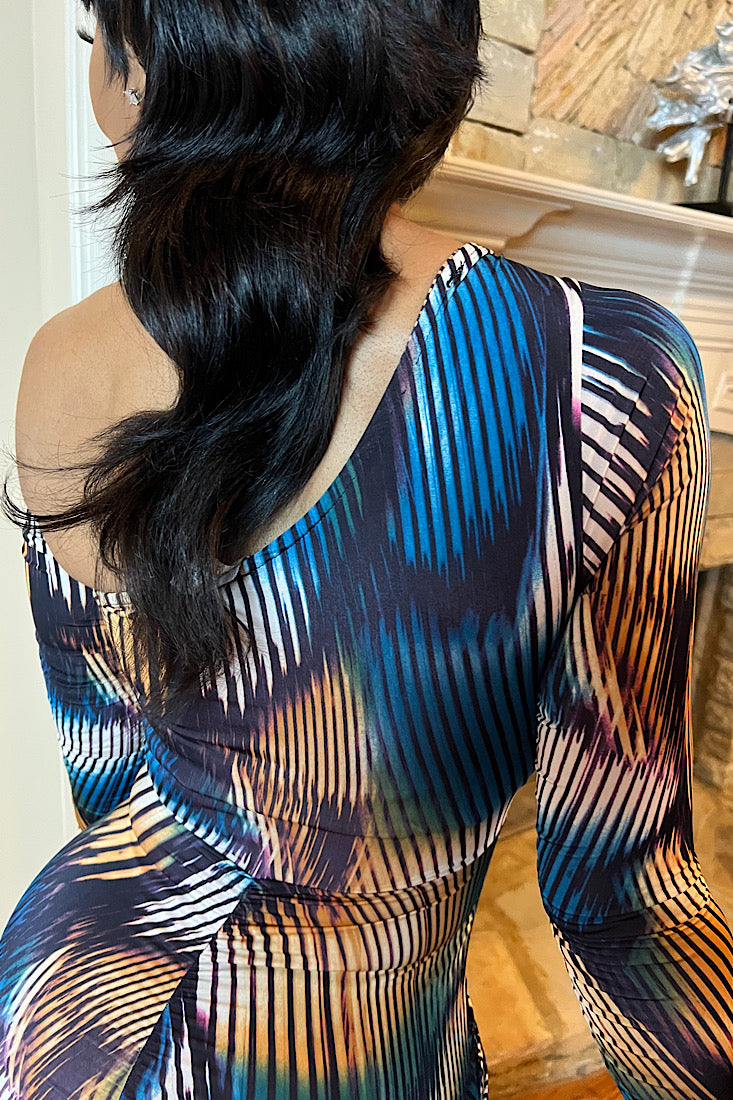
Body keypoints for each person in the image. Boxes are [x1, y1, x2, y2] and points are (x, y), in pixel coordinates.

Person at [1, 1, 732, 1097]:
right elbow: (623, 894)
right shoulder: (595, 374)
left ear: (152, 69)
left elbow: (104, 776)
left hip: (65, 1016)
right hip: (340, 1049)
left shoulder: (61, 359)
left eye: (95, 42)